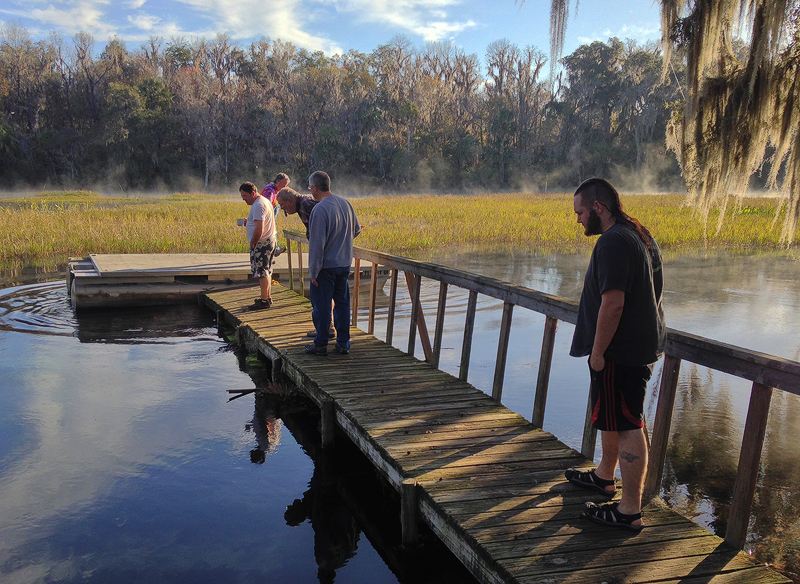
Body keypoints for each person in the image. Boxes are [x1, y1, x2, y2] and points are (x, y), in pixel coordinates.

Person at [566, 177, 665, 532]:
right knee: (613, 413)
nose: (578, 220)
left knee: (627, 423)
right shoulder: (638, 233)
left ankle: (629, 510)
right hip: (634, 348)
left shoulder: (612, 242)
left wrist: (598, 352)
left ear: (598, 208)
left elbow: (614, 303)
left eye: (580, 213)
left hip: (619, 353)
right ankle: (605, 476)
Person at [305, 171, 361, 356]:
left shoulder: (319, 209)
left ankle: (320, 344)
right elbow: (357, 230)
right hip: (344, 264)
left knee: (321, 307)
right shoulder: (345, 203)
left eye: (310, 188)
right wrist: (341, 242)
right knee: (342, 304)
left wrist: (313, 271)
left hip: (325, 267)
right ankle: (343, 343)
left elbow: (317, 244)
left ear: (315, 188)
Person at [239, 181, 278, 311]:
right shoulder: (264, 201)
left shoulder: (258, 206)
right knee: (266, 270)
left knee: (262, 272)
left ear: (253, 193)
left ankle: (263, 301)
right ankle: (267, 297)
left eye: (245, 195)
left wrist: (253, 242)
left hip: (262, 243)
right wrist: (248, 222)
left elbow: (259, 229)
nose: (243, 199)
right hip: (269, 240)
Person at [263, 173, 290, 255]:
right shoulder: (270, 191)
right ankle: (274, 250)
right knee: (270, 235)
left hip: (270, 218)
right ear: (277, 182)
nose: (285, 186)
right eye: (284, 184)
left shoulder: (276, 190)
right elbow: (266, 206)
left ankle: (272, 251)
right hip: (267, 218)